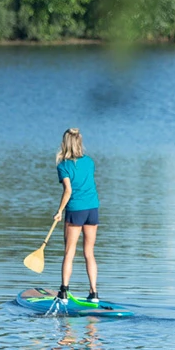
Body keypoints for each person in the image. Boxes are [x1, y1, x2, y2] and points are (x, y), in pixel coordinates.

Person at [54, 128, 100, 302]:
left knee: (69, 252)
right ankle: (94, 293)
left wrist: (59, 211)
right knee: (89, 252)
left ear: (65, 143)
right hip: (92, 209)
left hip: (76, 210)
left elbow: (68, 190)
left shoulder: (63, 166)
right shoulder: (89, 161)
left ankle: (64, 291)